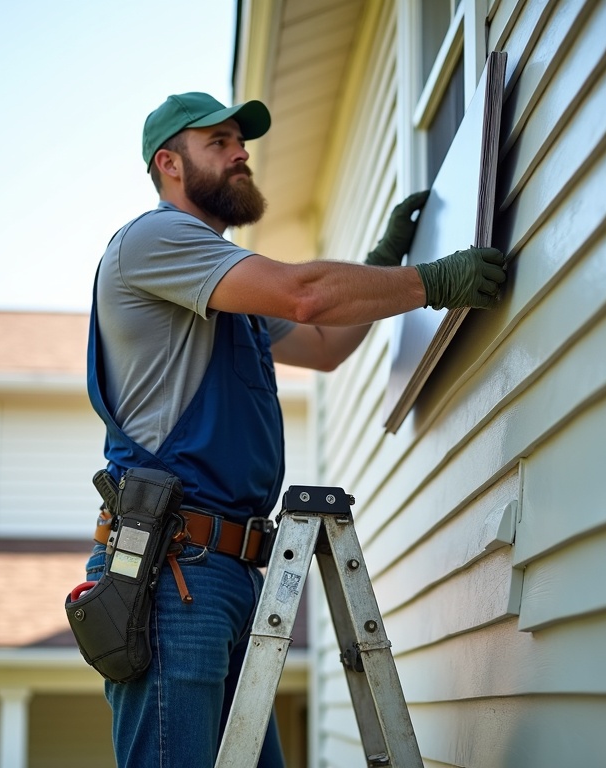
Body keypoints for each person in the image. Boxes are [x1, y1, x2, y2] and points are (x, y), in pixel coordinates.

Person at [83, 91, 506, 768]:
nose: (240, 153)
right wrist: (431, 279)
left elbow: (323, 341)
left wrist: (383, 255)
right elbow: (304, 293)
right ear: (169, 163)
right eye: (218, 142)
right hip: (173, 574)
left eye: (240, 142)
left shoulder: (223, 290)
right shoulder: (154, 241)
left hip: (225, 574)